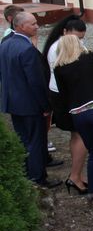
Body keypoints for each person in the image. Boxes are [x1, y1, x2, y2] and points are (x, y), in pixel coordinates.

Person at [54, 35, 93, 211]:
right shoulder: (92, 56)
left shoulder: (59, 68)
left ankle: (92, 192)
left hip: (79, 114)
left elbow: (63, 96)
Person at [0, 12, 59, 187]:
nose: (37, 26)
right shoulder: (27, 49)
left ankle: (28, 173)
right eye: (32, 24)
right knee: (35, 141)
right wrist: (46, 106)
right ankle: (38, 177)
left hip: (13, 102)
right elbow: (36, 82)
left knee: (24, 139)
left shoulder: (6, 44)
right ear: (20, 26)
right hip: (30, 104)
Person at [43, 15, 90, 194]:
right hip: (67, 96)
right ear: (65, 32)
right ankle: (75, 176)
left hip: (69, 94)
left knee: (78, 135)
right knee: (80, 135)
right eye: (76, 37)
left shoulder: (64, 44)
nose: (79, 41)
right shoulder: (58, 48)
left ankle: (76, 174)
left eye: (81, 38)